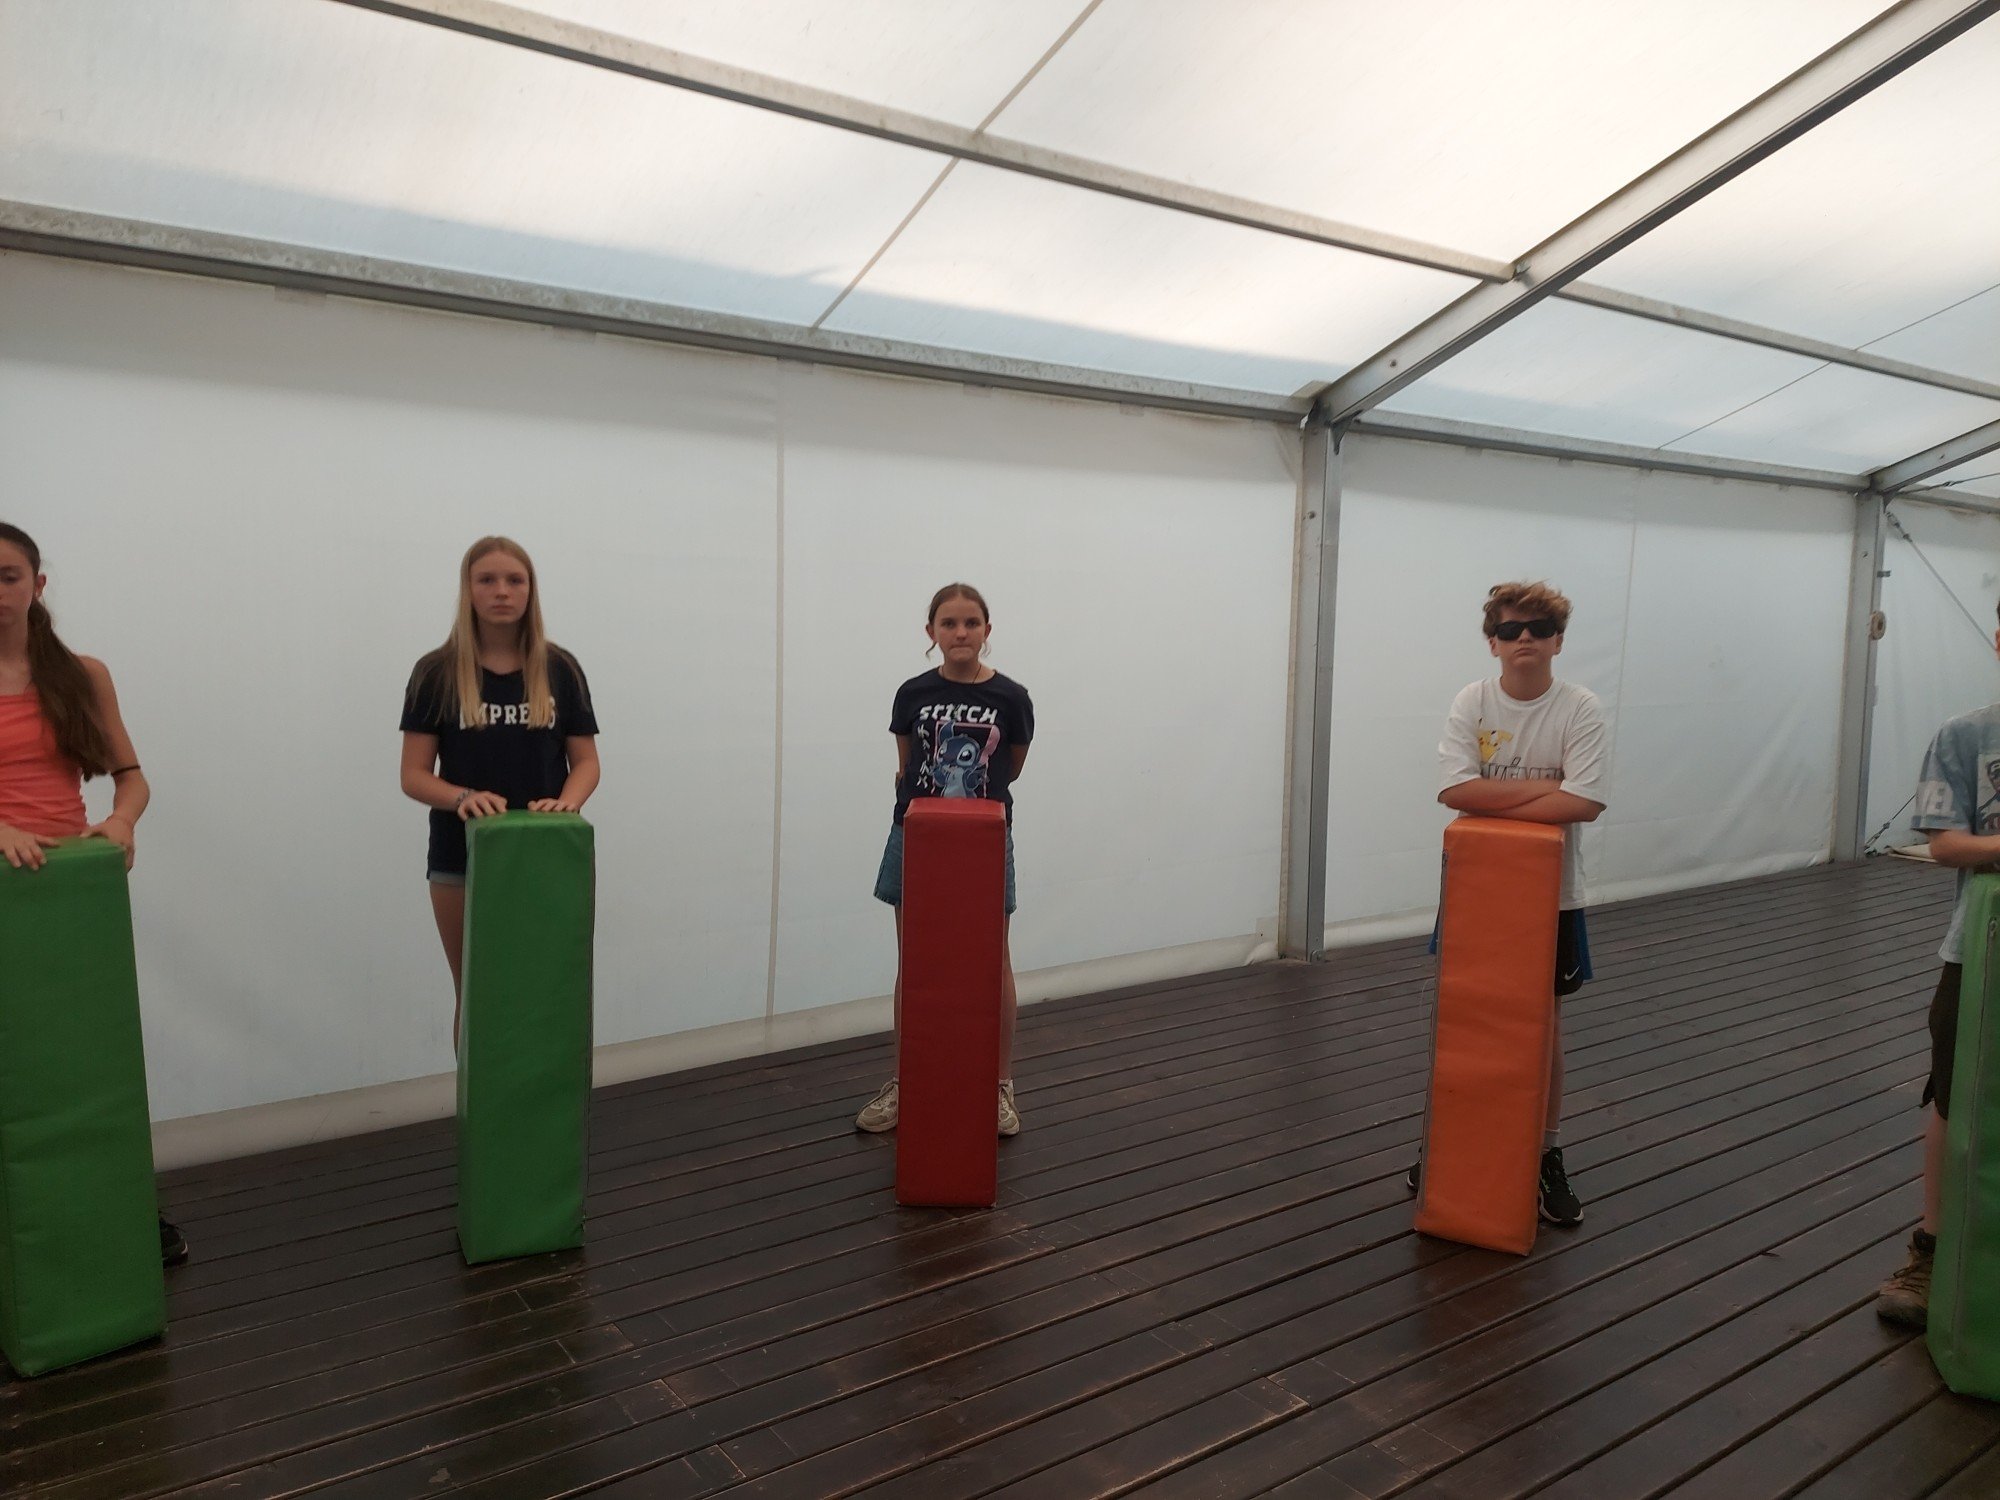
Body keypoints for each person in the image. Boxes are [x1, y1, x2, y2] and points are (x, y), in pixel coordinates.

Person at [0, 522, 188, 1267]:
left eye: (9, 576)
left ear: (37, 585)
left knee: (88, 1059)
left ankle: (119, 1210)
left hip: (72, 891)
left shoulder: (82, 674)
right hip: (3, 885)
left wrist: (121, 822)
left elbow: (131, 780)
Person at [1415, 580, 1608, 1226]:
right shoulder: (1472, 701)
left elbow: (1586, 802)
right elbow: (1453, 792)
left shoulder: (1579, 708)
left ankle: (1544, 1153)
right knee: (1466, 1015)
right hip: (1477, 891)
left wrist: (1491, 800)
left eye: (1538, 628)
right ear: (1492, 642)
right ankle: (1451, 1146)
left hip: (1553, 898)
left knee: (1543, 1025)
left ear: (1558, 641)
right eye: (1509, 629)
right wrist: (1549, 792)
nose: (1524, 638)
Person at [399, 537, 600, 1045]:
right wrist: (462, 797)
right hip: (460, 858)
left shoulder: (561, 669)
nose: (502, 591)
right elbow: (414, 775)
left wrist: (569, 803)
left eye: (515, 580)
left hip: (544, 854)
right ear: (468, 590)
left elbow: (587, 763)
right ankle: (476, 1098)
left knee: (540, 991)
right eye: (487, 580)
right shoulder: (435, 672)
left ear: (531, 590)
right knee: (476, 993)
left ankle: (539, 1093)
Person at [855, 583, 1034, 1138]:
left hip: (984, 840)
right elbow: (908, 767)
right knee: (915, 960)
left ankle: (1000, 1084)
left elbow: (1011, 769)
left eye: (971, 623)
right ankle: (908, 1081)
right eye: (949, 623)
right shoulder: (912, 693)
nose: (960, 633)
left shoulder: (1012, 697)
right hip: (917, 836)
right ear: (930, 631)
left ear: (987, 630)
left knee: (994, 960)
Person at [1876, 604, 2000, 1327]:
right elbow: (1946, 844)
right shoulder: (1962, 735)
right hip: (1978, 951)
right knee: (1953, 1095)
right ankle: (1931, 1251)